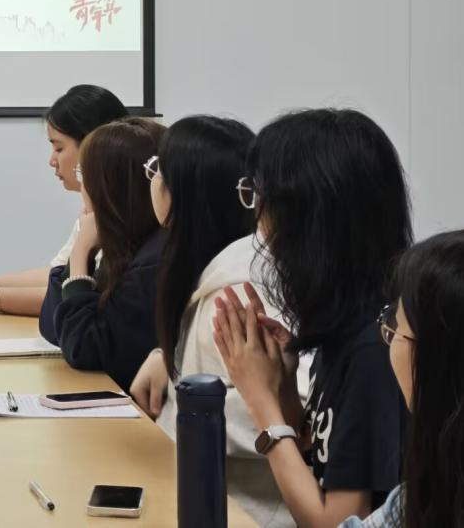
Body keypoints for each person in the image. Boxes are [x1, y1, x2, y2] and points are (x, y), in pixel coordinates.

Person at [213, 109, 411, 528]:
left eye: (262, 197)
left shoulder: (373, 348)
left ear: (309, 219)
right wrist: (283, 389)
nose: (259, 219)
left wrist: (260, 401)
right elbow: (321, 457)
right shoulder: (346, 322)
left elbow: (335, 521)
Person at [126, 117, 297, 527]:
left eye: (158, 169)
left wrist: (183, 403)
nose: (152, 179)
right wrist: (165, 358)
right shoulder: (219, 266)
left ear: (186, 192)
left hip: (245, 510)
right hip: (209, 494)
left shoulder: (239, 290)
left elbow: (284, 408)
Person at [0, 84, 128, 315]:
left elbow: (70, 298)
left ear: (93, 147)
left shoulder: (126, 215)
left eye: (59, 148)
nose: (52, 161)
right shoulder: (91, 211)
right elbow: (57, 275)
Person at [334, 230, 464, 527]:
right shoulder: (429, 486)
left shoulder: (362, 356)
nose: (388, 336)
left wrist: (266, 408)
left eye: (396, 327)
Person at [38, 117, 166, 392]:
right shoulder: (121, 244)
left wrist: (80, 252)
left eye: (84, 175)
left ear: (110, 188)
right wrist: (82, 253)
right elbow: (53, 327)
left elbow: (83, 349)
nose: (82, 187)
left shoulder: (152, 260)